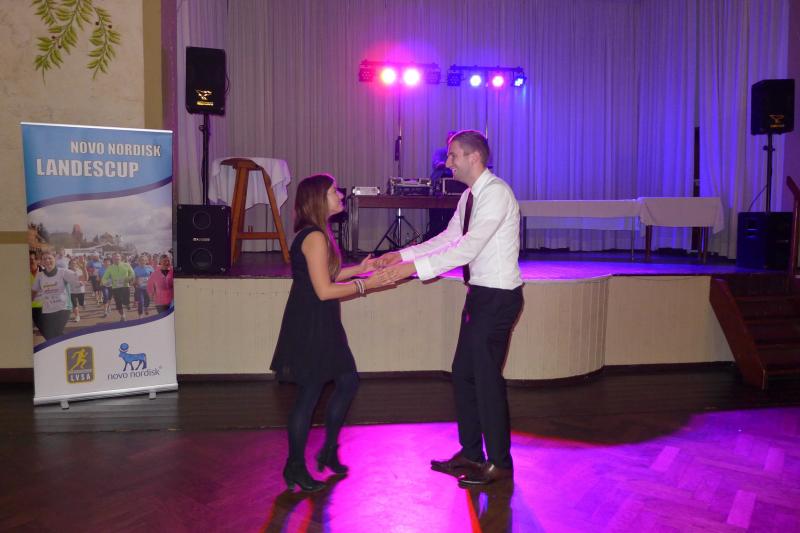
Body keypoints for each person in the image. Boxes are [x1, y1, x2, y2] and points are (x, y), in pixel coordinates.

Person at [378, 130, 523, 487]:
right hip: (480, 295)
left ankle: (500, 462)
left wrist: (413, 269)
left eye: (454, 155)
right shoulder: (470, 196)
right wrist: (403, 255)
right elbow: (449, 238)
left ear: (474, 157)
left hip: (498, 297)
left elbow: (468, 247)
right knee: (463, 374)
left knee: (486, 380)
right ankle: (472, 453)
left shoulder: (497, 194)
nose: (448, 162)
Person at [270, 174, 396, 493]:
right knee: (309, 395)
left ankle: (327, 450)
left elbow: (328, 274)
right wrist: (366, 285)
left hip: (321, 320)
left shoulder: (318, 233)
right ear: (318, 199)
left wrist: (362, 269)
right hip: (311, 323)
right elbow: (324, 290)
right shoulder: (314, 237)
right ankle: (295, 466)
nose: (340, 195)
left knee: (347, 381)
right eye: (333, 191)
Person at [31, 251, 81, 340]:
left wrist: (83, 268)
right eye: (44, 259)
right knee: (51, 336)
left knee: (56, 333)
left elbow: (82, 278)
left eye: (49, 258)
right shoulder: (40, 275)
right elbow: (34, 291)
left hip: (63, 308)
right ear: (42, 261)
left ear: (55, 259)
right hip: (48, 309)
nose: (47, 260)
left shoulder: (63, 272)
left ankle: (65, 344)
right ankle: (67, 344)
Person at [101, 253, 135, 321]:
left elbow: (132, 274)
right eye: (114, 257)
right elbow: (104, 278)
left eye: (118, 257)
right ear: (112, 259)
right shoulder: (110, 268)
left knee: (126, 301)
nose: (116, 258)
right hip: (115, 288)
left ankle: (127, 304)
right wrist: (107, 282)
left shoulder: (126, 265)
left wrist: (128, 278)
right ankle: (122, 315)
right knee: (118, 304)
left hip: (125, 286)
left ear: (120, 258)